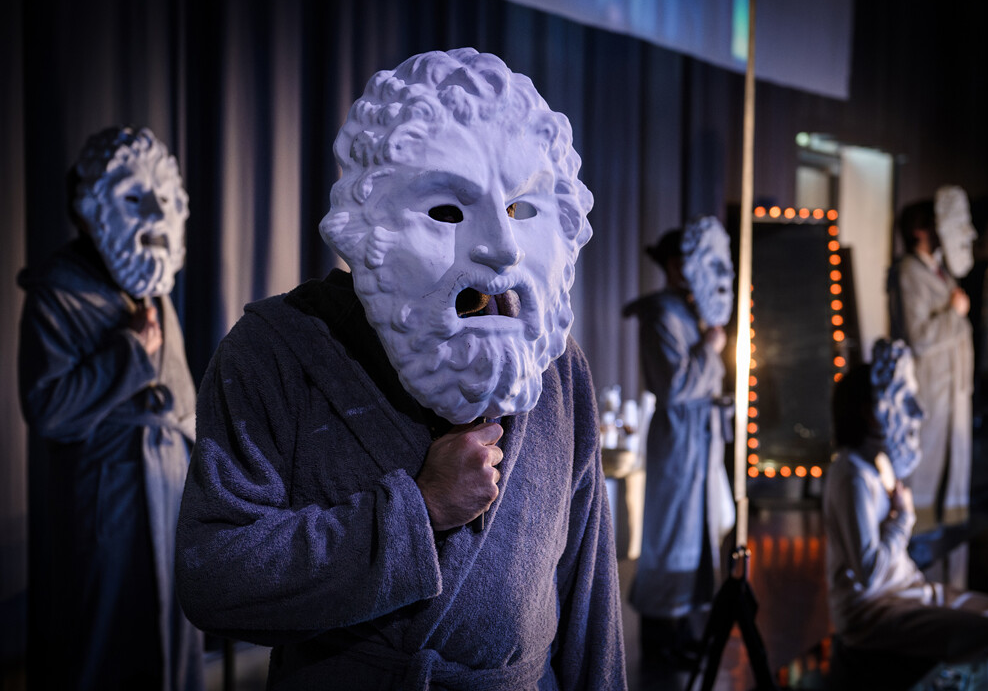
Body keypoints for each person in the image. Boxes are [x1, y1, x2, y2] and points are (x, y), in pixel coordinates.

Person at [175, 49, 626, 690]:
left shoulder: (556, 368)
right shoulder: (277, 352)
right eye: (447, 211)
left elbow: (589, 602)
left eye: (522, 210)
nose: (501, 248)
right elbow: (214, 576)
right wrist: (418, 511)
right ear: (367, 228)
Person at [17, 127, 204, 690]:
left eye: (163, 198)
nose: (154, 215)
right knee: (106, 639)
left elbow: (179, 391)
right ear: (90, 210)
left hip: (172, 487)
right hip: (108, 495)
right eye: (133, 197)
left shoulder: (150, 284)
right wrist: (128, 354)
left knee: (174, 633)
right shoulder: (57, 293)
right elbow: (47, 408)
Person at [823, 339, 988, 691]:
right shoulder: (851, 475)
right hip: (873, 612)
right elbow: (869, 573)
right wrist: (902, 518)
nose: (919, 412)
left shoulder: (878, 464)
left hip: (911, 590)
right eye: (905, 401)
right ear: (871, 411)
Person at [624, 216, 736, 667]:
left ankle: (685, 629)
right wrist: (709, 348)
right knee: (671, 532)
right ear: (677, 265)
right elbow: (672, 386)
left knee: (698, 530)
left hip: (702, 437)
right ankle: (660, 639)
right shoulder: (661, 315)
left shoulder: (691, 312)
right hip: (678, 437)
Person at [889, 190, 975, 526]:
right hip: (930, 384)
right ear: (920, 230)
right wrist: (954, 314)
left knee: (948, 459)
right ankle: (917, 528)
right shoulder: (909, 272)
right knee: (926, 458)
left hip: (951, 386)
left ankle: (942, 524)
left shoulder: (939, 271)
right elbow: (919, 337)